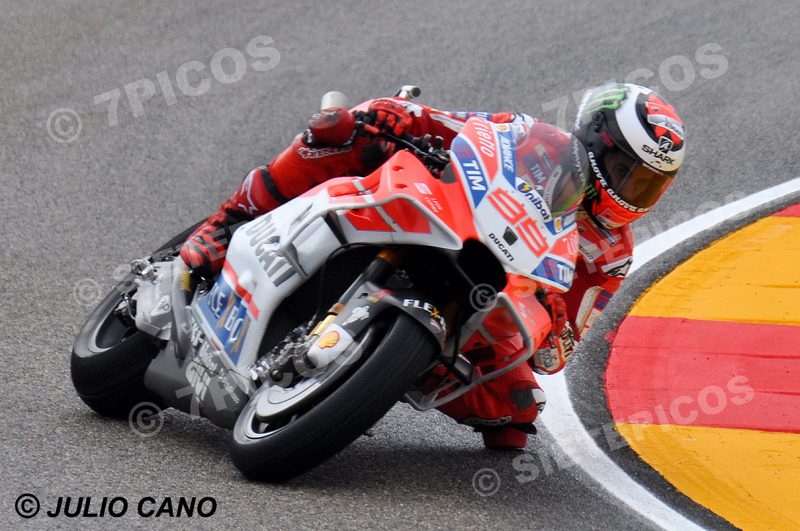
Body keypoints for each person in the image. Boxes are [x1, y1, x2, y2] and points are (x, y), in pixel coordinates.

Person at [179, 82, 686, 449]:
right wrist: (397, 119)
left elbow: (557, 351)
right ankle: (229, 221)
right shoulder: (533, 139)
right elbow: (452, 126)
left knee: (516, 410)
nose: (630, 190)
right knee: (347, 130)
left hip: (491, 293)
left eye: (647, 183)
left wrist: (549, 310)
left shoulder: (612, 252)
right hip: (441, 213)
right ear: (597, 142)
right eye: (625, 170)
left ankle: (380, 372)